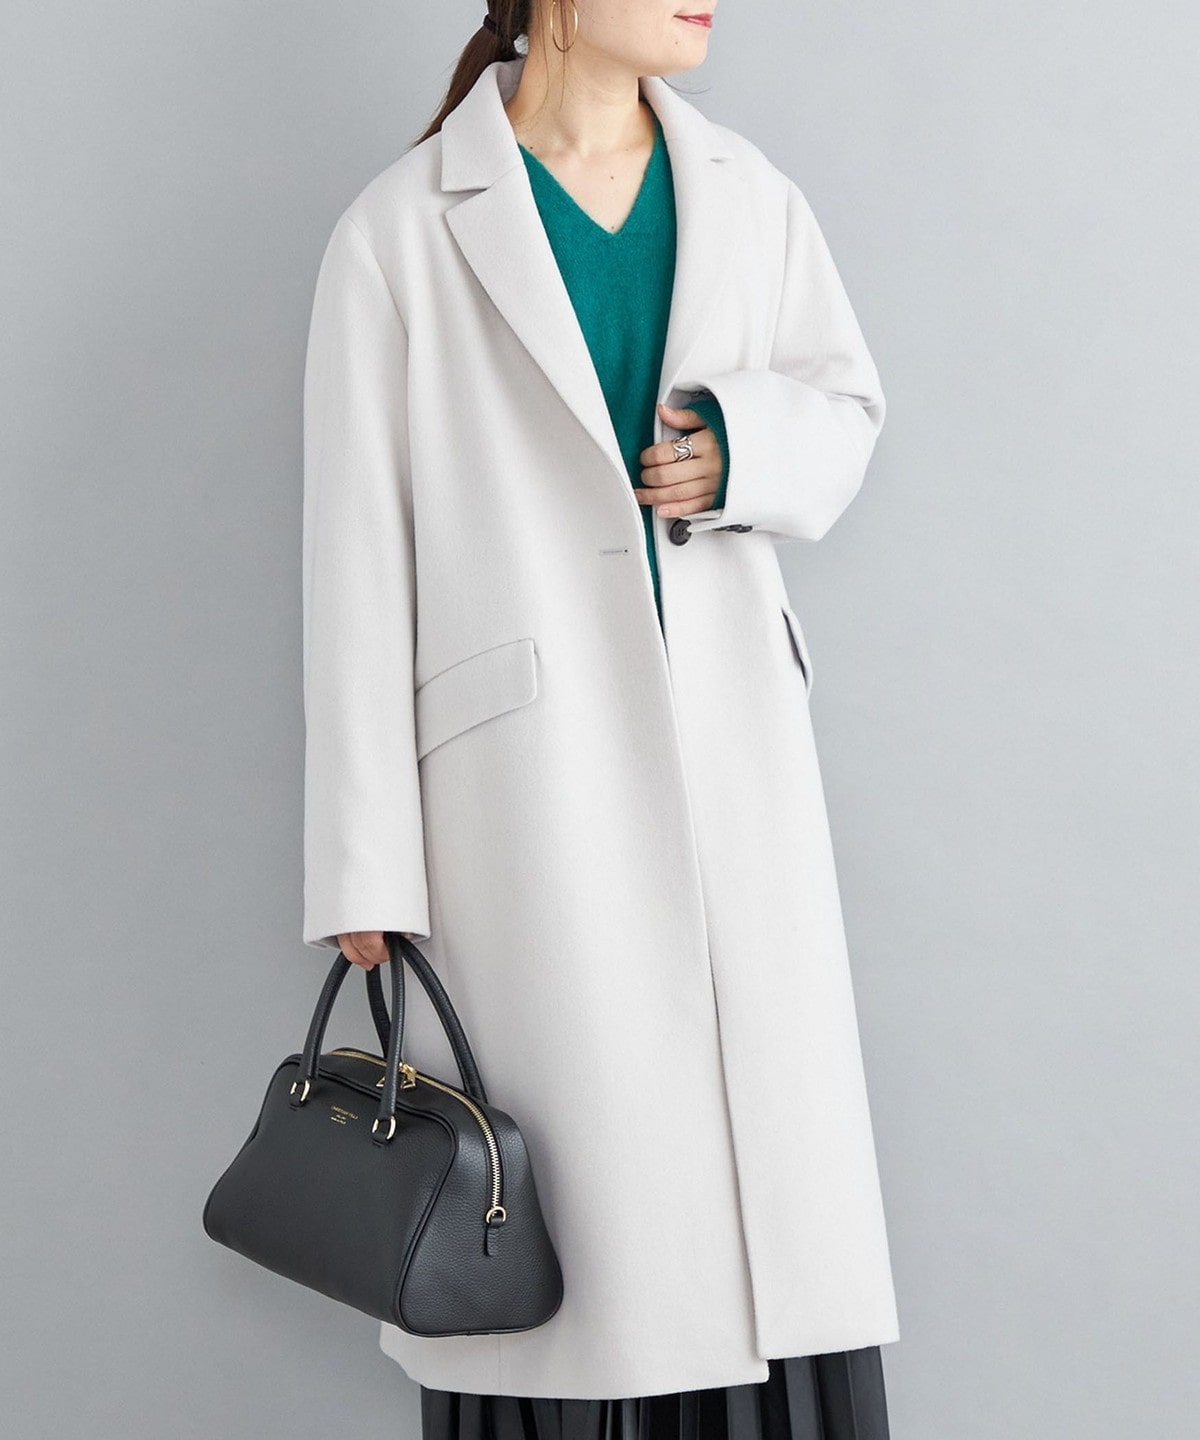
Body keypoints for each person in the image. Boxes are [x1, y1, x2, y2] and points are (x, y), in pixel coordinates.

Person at [301, 3, 899, 1437]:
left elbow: (847, 408)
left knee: (763, 1208)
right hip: (528, 793)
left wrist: (742, 446)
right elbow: (355, 555)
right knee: (593, 1230)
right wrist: (363, 865)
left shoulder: (749, 195)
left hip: (735, 753)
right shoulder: (400, 231)